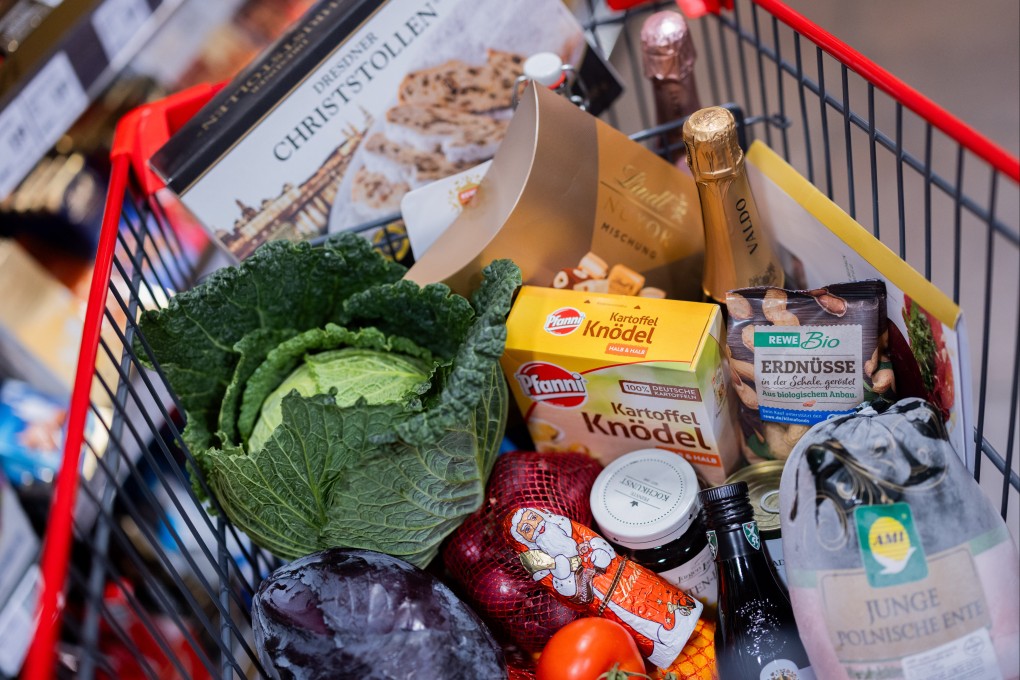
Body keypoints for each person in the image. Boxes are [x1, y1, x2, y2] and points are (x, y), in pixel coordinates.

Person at [507, 506, 701, 668]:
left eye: (532, 518)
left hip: (623, 571)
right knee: (632, 617)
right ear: (525, 539)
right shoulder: (547, 567)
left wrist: (598, 552)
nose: (535, 525)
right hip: (605, 597)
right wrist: (567, 574)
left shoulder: (564, 527)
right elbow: (569, 594)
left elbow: (593, 540)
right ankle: (662, 639)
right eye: (526, 528)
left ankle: (680, 616)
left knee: (654, 595)